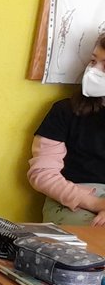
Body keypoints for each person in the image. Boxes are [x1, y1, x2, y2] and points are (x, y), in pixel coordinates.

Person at [29, 35, 105, 225]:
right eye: (93, 61)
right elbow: (42, 173)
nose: (94, 71)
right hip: (73, 199)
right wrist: (96, 204)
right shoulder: (65, 110)